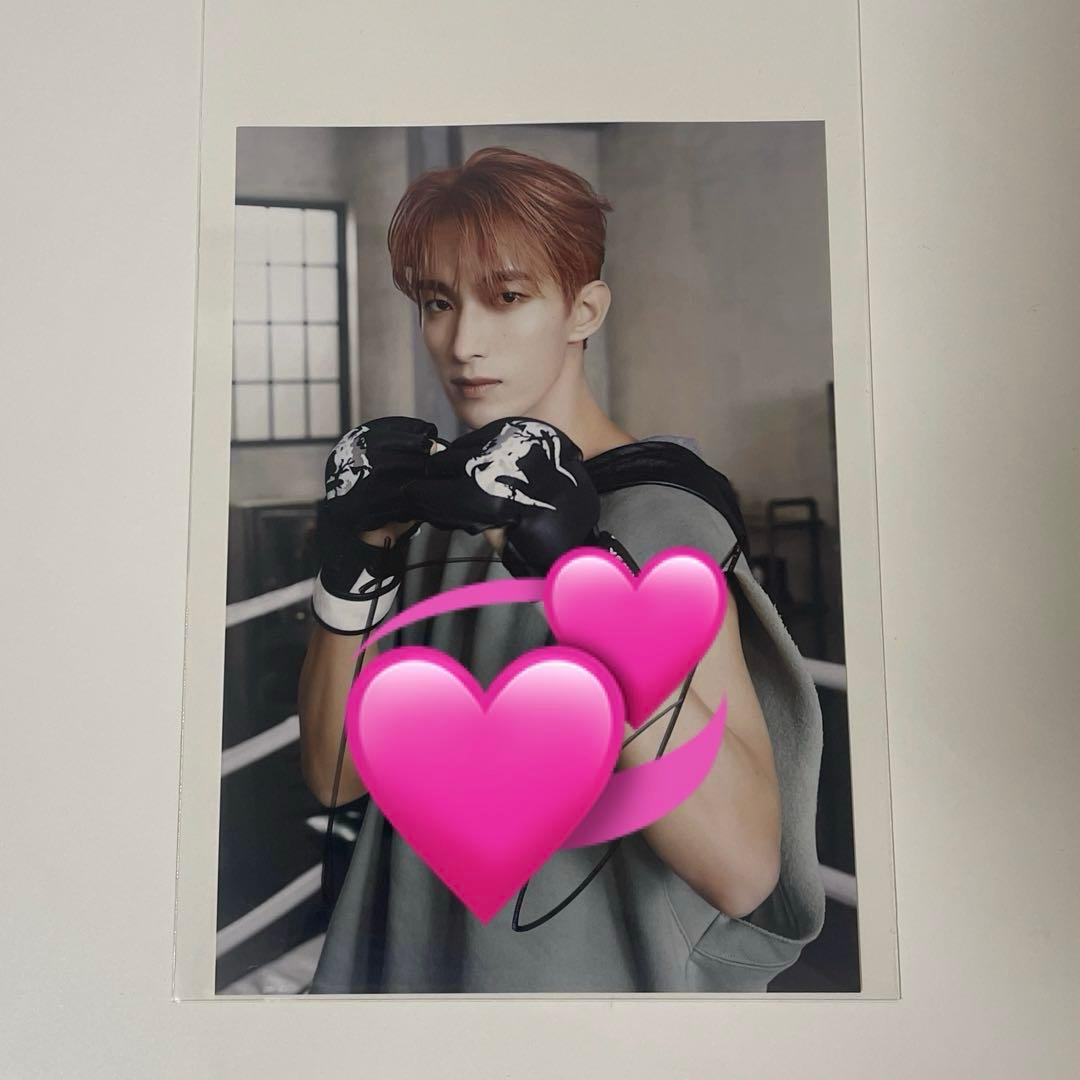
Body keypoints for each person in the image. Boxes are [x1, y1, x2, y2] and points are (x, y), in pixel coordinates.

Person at [297, 146, 825, 993]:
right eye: (438, 303)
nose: (464, 342)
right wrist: (351, 562)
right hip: (417, 972)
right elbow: (336, 776)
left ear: (584, 310)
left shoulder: (662, 518)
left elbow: (742, 870)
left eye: (507, 297)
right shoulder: (434, 509)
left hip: (581, 995)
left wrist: (586, 584)